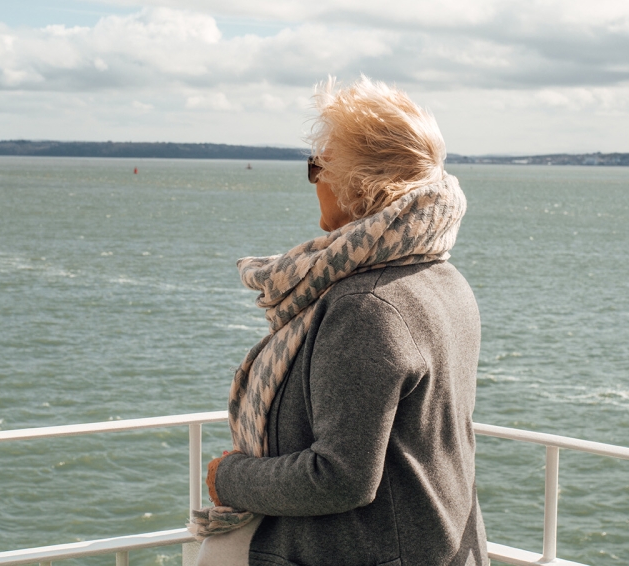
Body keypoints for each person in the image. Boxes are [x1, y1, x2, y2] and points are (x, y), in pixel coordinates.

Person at [191, 76, 488, 566]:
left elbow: (340, 477)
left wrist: (229, 477)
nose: (313, 180)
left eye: (317, 165)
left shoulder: (366, 305)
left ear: (359, 182)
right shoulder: (443, 277)